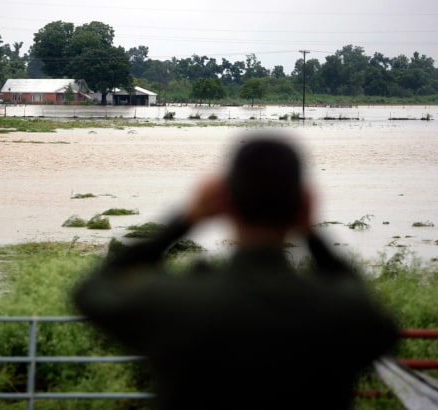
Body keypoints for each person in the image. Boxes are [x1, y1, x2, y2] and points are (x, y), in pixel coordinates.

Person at [73, 132, 398, 410]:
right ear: (303, 204)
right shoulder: (339, 311)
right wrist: (313, 236)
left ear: (226, 202)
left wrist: (186, 219)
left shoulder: (177, 301)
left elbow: (92, 292)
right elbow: (375, 320)